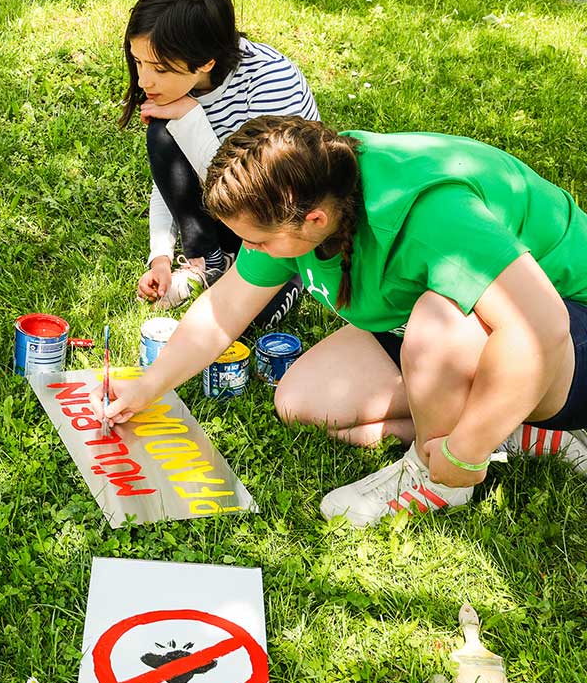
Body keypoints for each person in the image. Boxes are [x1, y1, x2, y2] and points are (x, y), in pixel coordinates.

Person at [98, 116, 587, 527]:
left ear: (312, 220)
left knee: (439, 319)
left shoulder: (430, 214)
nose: (252, 253)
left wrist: (464, 452)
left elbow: (539, 328)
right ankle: (507, 428)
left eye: (261, 242)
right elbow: (224, 309)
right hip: (444, 328)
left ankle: (439, 476)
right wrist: (148, 387)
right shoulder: (312, 189)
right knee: (302, 401)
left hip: (565, 332)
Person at [121, 0, 317, 322]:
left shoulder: (270, 81)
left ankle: (291, 273)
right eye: (139, 62)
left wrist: (190, 116)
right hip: (232, 216)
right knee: (162, 133)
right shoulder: (174, 87)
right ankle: (208, 262)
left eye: (160, 69)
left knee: (248, 319)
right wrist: (161, 258)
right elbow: (168, 180)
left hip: (279, 222)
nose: (143, 81)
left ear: (206, 62)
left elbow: (261, 196)